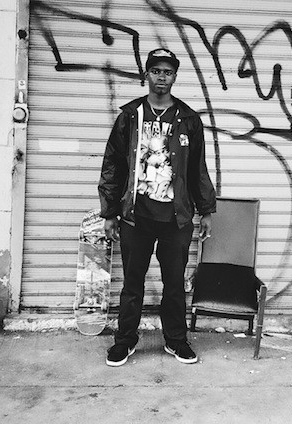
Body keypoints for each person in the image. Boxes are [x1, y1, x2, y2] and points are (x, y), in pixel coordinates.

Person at [98, 47, 216, 367]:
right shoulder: (130, 115)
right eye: (156, 71)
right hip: (136, 215)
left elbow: (197, 167)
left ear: (174, 76)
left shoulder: (188, 119)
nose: (161, 77)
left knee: (174, 284)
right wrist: (109, 212)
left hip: (176, 218)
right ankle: (124, 341)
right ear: (146, 74)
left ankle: (176, 340)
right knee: (132, 284)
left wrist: (206, 209)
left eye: (168, 72)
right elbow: (113, 165)